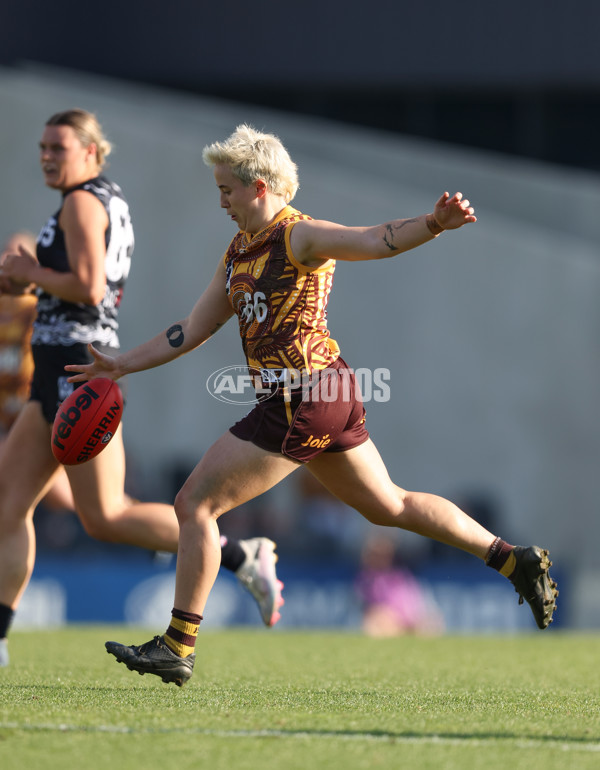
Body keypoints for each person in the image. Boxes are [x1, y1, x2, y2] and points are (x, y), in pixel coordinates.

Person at [65, 123, 558, 687]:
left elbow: (374, 239)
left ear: (259, 186)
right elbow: (192, 329)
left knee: (194, 504)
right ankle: (512, 559)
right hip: (328, 393)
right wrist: (123, 362)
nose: (220, 200)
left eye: (227, 189)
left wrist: (434, 225)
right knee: (389, 506)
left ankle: (178, 646)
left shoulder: (297, 236)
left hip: (303, 396)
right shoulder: (237, 253)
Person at [0, 113, 284, 669]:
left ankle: (237, 554)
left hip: (75, 369)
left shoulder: (83, 201)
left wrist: (28, 274)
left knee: (106, 515)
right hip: (56, 369)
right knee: (9, 507)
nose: (46, 156)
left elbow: (87, 285)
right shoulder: (104, 198)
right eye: (41, 147)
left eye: (58, 146)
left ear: (90, 152)